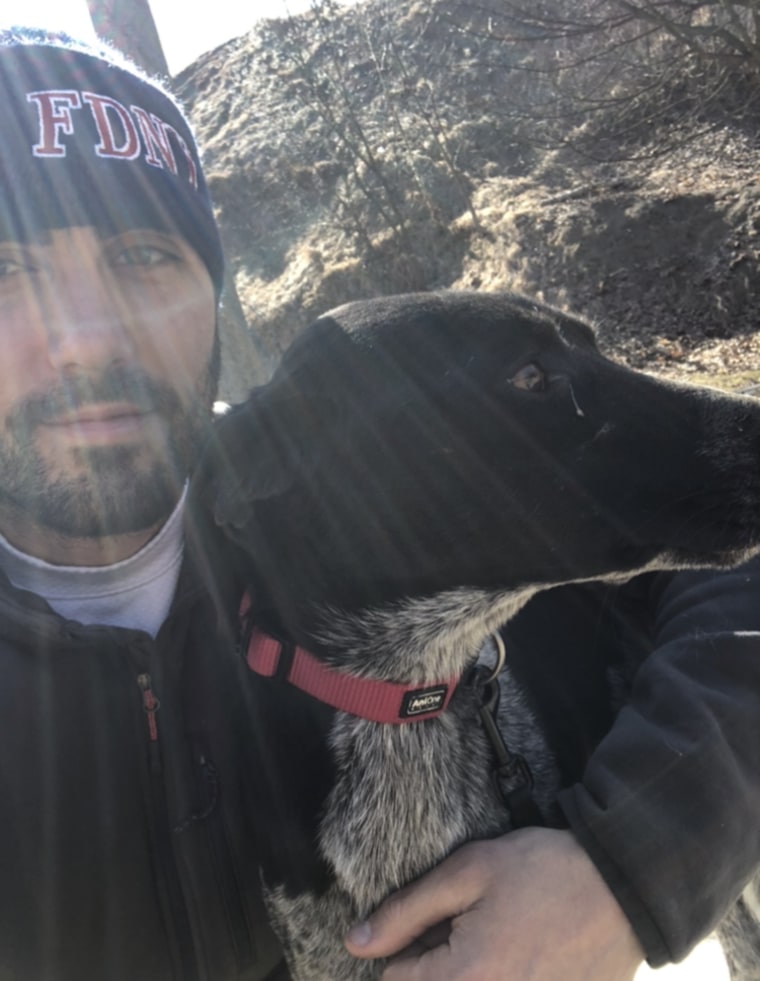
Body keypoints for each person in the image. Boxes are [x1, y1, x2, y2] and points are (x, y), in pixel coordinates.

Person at [0, 24, 758, 981]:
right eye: (6, 268)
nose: (84, 340)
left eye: (143, 254)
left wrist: (633, 869)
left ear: (208, 284)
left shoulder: (337, 474)